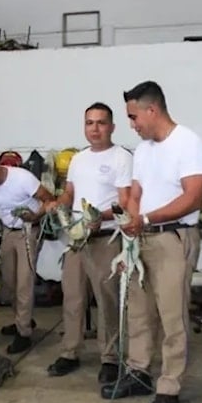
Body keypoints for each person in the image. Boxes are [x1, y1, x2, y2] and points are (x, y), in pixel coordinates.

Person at [101, 81, 202, 403]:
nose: (132, 125)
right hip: (141, 239)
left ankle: (169, 388)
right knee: (139, 309)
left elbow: (192, 198)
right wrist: (130, 227)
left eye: (134, 117)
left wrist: (145, 218)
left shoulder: (189, 143)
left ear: (152, 110)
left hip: (173, 239)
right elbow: (135, 191)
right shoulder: (144, 149)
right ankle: (138, 373)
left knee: (172, 315)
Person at [42, 103, 133, 383]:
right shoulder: (79, 159)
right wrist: (58, 204)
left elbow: (126, 200)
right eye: (89, 123)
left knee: (108, 299)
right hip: (77, 240)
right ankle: (70, 351)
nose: (94, 129)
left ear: (112, 127)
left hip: (105, 238)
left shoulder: (122, 158)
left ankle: (110, 357)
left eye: (101, 123)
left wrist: (99, 217)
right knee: (72, 297)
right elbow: (70, 192)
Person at [0, 147, 54, 354]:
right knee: (9, 283)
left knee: (24, 283)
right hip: (8, 231)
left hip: (29, 230)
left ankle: (24, 333)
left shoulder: (22, 179)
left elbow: (50, 200)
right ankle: (23, 321)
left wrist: (35, 216)